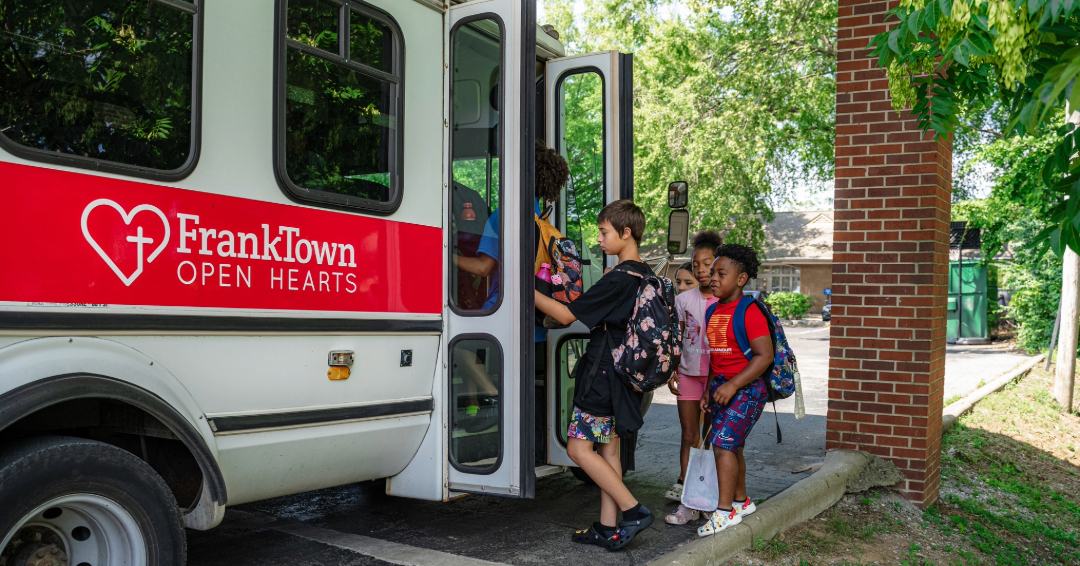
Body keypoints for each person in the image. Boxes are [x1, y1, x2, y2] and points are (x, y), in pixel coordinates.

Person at [534, 200, 654, 551]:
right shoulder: (644, 273)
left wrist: (525, 286)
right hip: (623, 373)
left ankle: (633, 511)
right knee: (608, 450)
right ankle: (606, 526)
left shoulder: (619, 277)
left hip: (602, 374)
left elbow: (567, 315)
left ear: (626, 232)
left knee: (577, 448)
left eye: (604, 233)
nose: (599, 240)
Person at [453, 141, 569, 431]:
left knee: (461, 343)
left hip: (502, 311)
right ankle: (475, 409)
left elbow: (483, 267)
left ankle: (491, 397)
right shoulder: (543, 222)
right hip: (537, 320)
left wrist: (446, 256)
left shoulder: (503, 216)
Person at [697, 244, 772, 537]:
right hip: (722, 386)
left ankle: (723, 512)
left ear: (741, 279)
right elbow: (717, 356)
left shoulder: (749, 310)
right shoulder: (713, 310)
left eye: (720, 273)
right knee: (732, 445)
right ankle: (742, 502)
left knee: (723, 444)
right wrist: (708, 390)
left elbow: (763, 356)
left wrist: (732, 385)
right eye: (711, 272)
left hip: (747, 388)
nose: (712, 277)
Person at [664, 231, 722, 525]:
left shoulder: (726, 302)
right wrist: (673, 369)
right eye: (696, 264)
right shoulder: (683, 299)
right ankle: (687, 503)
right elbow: (678, 337)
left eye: (707, 264)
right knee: (690, 436)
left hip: (719, 381)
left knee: (713, 441)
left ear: (719, 264)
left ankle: (709, 500)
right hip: (688, 375)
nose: (701, 270)